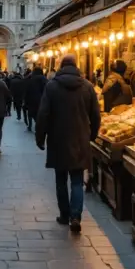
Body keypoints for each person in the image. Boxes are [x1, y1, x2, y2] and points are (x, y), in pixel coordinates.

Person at [35, 53, 100, 234]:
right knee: (78, 181)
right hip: (80, 139)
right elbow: (95, 115)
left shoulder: (52, 86)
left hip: (58, 139)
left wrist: (40, 137)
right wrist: (92, 135)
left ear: (61, 66)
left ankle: (64, 215)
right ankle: (75, 216)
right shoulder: (87, 87)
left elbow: (43, 114)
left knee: (61, 180)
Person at [23, 65, 48, 131]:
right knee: (40, 116)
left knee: (32, 114)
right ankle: (39, 127)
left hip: (32, 101)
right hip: (43, 101)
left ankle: (31, 125)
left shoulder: (30, 79)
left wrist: (26, 101)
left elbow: (27, 91)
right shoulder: (45, 79)